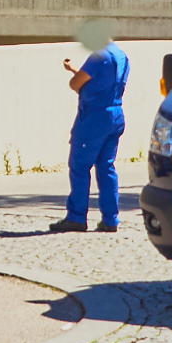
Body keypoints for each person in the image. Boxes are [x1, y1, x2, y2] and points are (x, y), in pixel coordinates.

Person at [50, 36, 129, 233]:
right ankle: (111, 219)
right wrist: (75, 68)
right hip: (115, 114)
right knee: (106, 166)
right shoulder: (121, 56)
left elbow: (76, 84)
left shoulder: (98, 55)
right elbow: (101, 82)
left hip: (95, 117)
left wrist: (73, 74)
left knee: (80, 166)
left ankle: (76, 217)